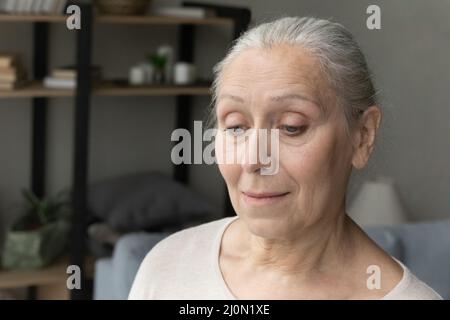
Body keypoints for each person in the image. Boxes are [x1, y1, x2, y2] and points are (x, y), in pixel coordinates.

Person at [129, 16, 442, 300]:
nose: (254, 159)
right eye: (236, 127)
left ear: (362, 137)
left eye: (291, 127)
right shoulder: (169, 265)